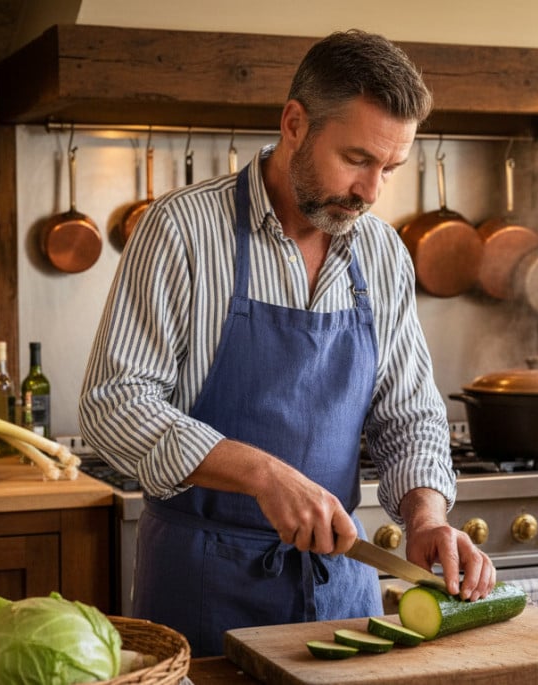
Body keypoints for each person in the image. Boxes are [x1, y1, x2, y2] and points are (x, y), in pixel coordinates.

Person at [79, 28, 495, 657]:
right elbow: (115, 402)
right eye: (357, 159)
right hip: (201, 589)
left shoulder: (382, 252)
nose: (372, 191)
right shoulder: (183, 229)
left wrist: (427, 516)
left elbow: (408, 414)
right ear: (295, 123)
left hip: (340, 593)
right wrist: (262, 474)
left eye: (390, 168)